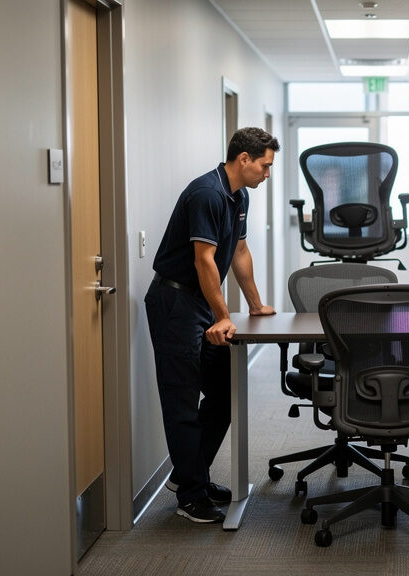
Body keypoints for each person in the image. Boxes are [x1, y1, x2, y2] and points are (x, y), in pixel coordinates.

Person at [144, 127, 279, 523]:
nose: (267, 174)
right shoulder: (206, 193)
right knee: (183, 398)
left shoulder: (240, 197)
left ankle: (191, 475)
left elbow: (238, 250)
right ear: (243, 160)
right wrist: (223, 315)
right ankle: (191, 494)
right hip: (175, 301)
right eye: (265, 166)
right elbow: (205, 260)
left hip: (200, 301)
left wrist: (254, 305)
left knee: (224, 392)